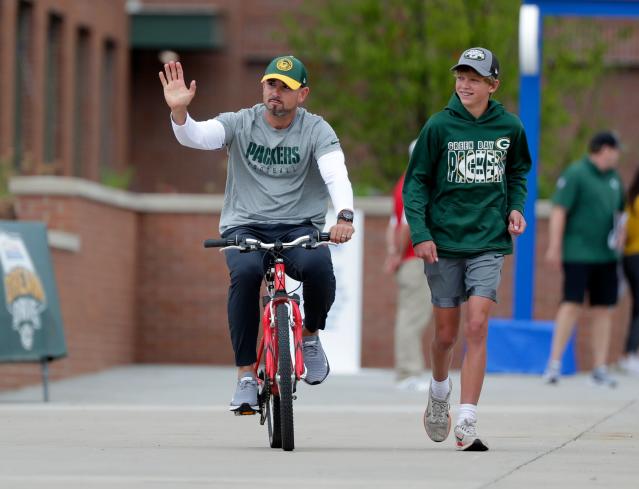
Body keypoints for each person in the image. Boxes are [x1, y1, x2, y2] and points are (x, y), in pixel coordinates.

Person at [159, 55, 355, 413]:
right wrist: (179, 114)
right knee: (246, 275)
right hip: (244, 225)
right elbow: (198, 136)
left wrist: (343, 216)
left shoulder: (316, 130)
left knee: (319, 267)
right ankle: (246, 375)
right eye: (271, 84)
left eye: (285, 87)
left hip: (299, 226)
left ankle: (310, 337)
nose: (275, 93)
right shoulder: (241, 122)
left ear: (303, 94)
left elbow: (335, 174)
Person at [403, 47, 531, 451]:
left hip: (488, 242)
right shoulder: (439, 127)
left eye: (474, 79)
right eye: (460, 77)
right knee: (446, 334)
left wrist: (515, 207)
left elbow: (518, 172)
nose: (465, 85)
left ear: (493, 85)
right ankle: (439, 393)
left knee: (477, 325)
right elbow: (416, 184)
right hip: (443, 243)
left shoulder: (510, 127)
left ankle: (468, 420)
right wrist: (420, 234)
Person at [543, 131, 624, 387]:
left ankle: (599, 367)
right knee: (571, 304)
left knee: (603, 309)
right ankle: (554, 364)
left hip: (606, 256)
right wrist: (555, 247)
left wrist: (621, 235)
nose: (617, 156)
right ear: (604, 149)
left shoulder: (614, 179)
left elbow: (620, 213)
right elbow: (559, 210)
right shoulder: (576, 173)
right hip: (578, 253)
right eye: (615, 150)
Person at [384, 140, 433, 391]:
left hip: (408, 260)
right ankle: (408, 372)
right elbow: (407, 224)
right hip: (415, 260)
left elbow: (393, 223)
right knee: (413, 316)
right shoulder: (417, 184)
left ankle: (407, 370)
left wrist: (393, 253)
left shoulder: (402, 183)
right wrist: (398, 253)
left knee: (409, 314)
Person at [621, 170, 639, 376]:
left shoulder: (630, 200)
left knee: (636, 307)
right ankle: (630, 353)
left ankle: (630, 353)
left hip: (629, 256)